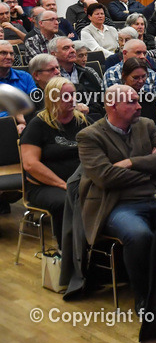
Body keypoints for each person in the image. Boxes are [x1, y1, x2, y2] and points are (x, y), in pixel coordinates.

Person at [78, 85, 156, 310]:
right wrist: (150, 166)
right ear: (113, 105)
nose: (139, 105)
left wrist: (132, 163)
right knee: (139, 235)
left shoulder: (146, 125)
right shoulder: (89, 136)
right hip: (117, 204)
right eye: (132, 101)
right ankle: (144, 296)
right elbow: (105, 177)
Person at [21, 77, 91, 248]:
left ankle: (93, 247)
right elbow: (30, 164)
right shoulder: (38, 124)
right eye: (65, 96)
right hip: (44, 186)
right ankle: (67, 253)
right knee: (67, 201)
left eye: (73, 95)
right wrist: (63, 184)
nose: (72, 100)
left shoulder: (81, 121)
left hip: (79, 182)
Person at [50, 36, 105, 115]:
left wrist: (88, 109)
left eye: (73, 47)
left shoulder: (87, 73)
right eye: (66, 48)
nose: (72, 51)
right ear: (54, 54)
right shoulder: (50, 76)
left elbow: (100, 104)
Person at [121, 57, 156, 124]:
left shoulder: (149, 99)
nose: (141, 81)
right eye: (135, 78)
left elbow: (155, 126)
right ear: (124, 76)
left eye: (143, 76)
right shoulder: (116, 99)